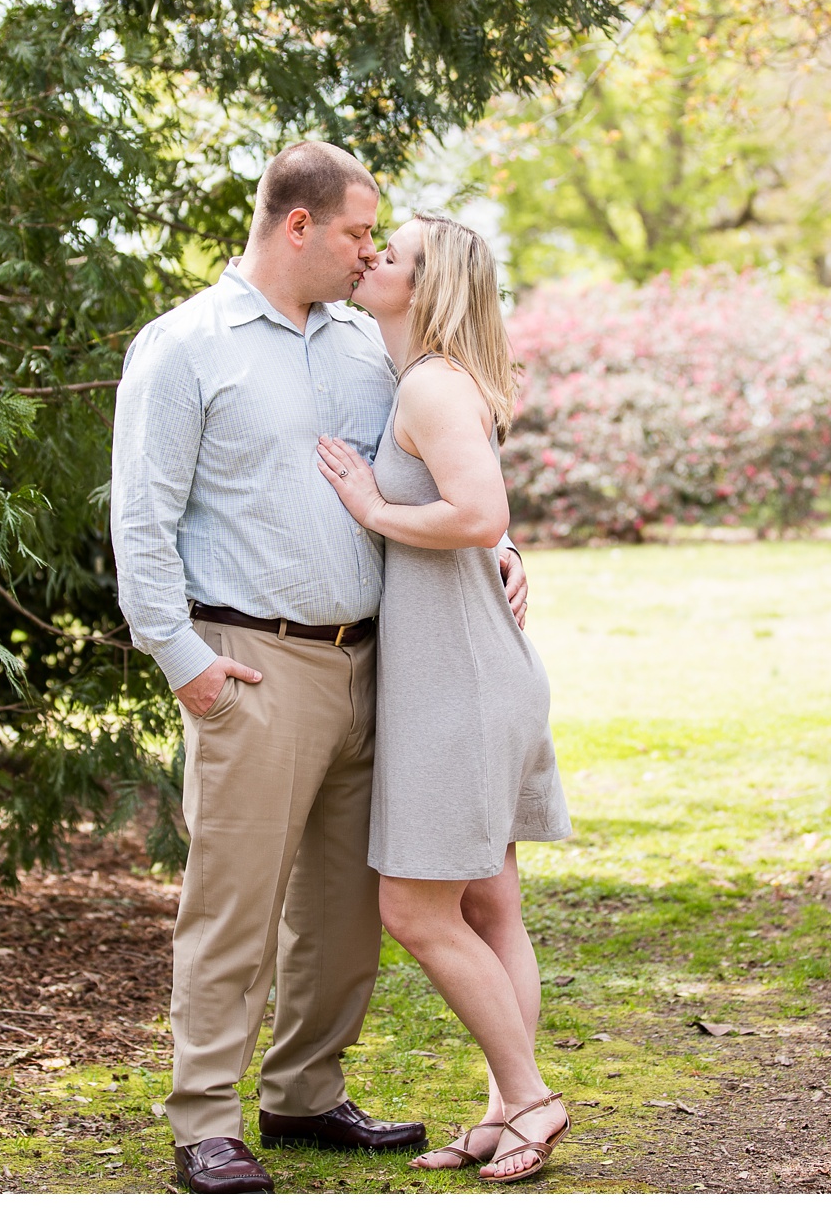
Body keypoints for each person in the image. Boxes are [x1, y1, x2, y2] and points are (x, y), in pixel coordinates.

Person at [110, 144, 529, 1193]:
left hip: (377, 666)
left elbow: (439, 464)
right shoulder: (184, 347)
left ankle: (302, 1091)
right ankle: (205, 1118)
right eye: (354, 232)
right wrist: (185, 663)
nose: (368, 251)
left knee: (347, 909)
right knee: (234, 905)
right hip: (249, 663)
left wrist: (498, 547)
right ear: (296, 226)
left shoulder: (362, 346)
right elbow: (140, 520)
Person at [314, 214, 572, 1184]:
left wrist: (375, 509)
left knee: (417, 911)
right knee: (490, 902)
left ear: (427, 286)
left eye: (393, 253)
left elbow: (479, 512)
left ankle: (533, 1096)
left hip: (456, 686)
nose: (372, 255)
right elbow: (482, 528)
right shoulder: (418, 378)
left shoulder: (426, 384)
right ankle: (507, 1107)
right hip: (472, 671)